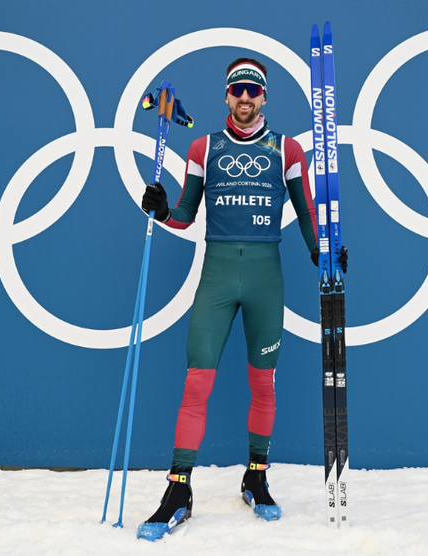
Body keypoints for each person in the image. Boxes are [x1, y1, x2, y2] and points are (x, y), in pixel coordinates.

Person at [137, 58, 346, 541]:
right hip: (216, 277)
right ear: (227, 95)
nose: (246, 97)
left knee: (263, 383)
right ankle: (178, 490)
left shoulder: (287, 149)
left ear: (264, 96)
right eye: (238, 89)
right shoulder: (203, 147)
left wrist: (323, 252)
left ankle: (256, 477)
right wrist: (163, 211)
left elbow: (307, 212)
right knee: (196, 381)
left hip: (264, 278)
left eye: (253, 89)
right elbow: (185, 214)